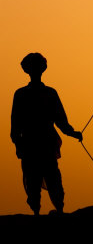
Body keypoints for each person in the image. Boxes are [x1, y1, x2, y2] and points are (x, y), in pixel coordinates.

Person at [10, 53, 83, 216]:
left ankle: (52, 210)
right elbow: (15, 126)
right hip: (35, 145)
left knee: (47, 180)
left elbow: (61, 121)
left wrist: (73, 133)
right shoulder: (38, 94)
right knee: (40, 180)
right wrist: (19, 143)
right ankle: (49, 211)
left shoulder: (31, 94)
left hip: (40, 144)